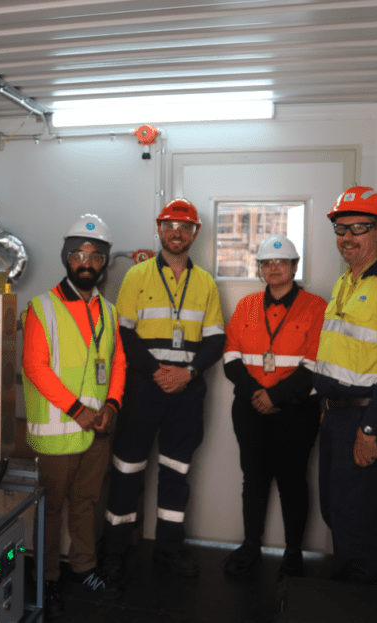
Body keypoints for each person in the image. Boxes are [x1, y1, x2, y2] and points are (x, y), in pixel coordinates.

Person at [101, 197, 226, 579]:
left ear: (194, 233)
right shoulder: (137, 276)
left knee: (176, 472)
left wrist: (186, 373)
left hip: (186, 393)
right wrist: (158, 371)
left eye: (184, 227)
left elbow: (216, 340)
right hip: (143, 389)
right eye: (170, 225)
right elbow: (124, 334)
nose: (177, 232)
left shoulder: (205, 282)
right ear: (159, 230)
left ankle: (169, 549)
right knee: (126, 470)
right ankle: (115, 552)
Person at [313, 187, 377, 585]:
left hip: (367, 417)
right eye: (342, 229)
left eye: (360, 227)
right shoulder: (348, 281)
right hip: (337, 416)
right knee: (336, 512)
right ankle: (346, 597)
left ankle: (359, 600)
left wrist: (370, 429)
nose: (348, 237)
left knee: (357, 518)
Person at [22, 214, 125, 619]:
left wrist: (112, 406)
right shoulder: (42, 307)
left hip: (98, 429)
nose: (87, 262)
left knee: (87, 502)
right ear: (67, 259)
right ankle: (46, 580)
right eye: (79, 254)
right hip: (58, 431)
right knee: (51, 508)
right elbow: (35, 366)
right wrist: (79, 410)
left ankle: (84, 568)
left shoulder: (109, 311)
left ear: (104, 262)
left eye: (95, 255)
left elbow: (118, 363)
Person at [222, 234, 326, 579]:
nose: (274, 269)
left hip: (297, 411)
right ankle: (251, 545)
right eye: (267, 263)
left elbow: (314, 365)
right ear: (261, 269)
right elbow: (231, 358)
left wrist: (275, 396)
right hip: (250, 408)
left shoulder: (315, 307)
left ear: (294, 267)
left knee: (293, 480)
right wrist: (257, 393)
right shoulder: (246, 306)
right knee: (253, 479)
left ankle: (293, 551)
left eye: (281, 263)